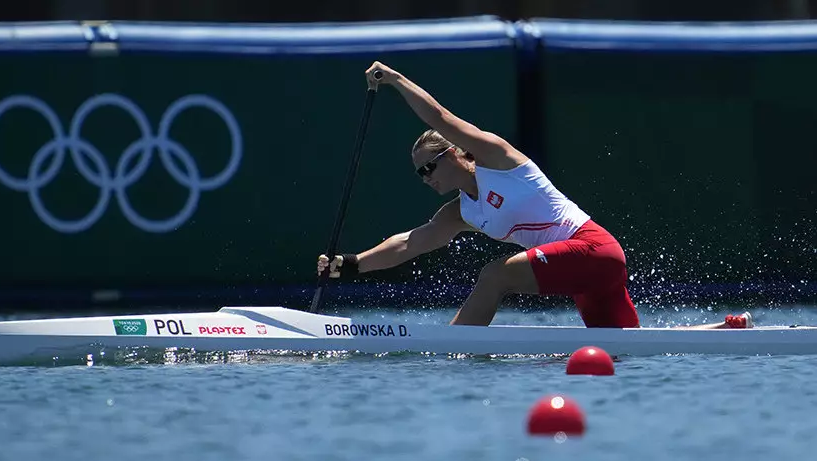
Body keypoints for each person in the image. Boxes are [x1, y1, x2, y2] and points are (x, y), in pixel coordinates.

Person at [317, 61, 752, 330]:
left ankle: (454, 350)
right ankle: (726, 329)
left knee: (494, 276)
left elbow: (443, 117)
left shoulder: (498, 159)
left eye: (430, 166)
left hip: (593, 249)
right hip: (581, 272)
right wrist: (350, 265)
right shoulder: (461, 212)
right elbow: (411, 242)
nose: (426, 177)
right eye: (420, 174)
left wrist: (395, 80)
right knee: (623, 350)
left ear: (457, 154)